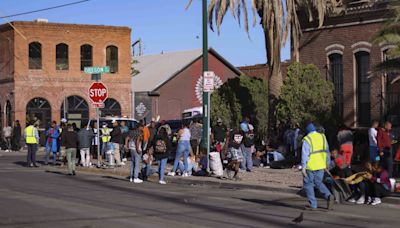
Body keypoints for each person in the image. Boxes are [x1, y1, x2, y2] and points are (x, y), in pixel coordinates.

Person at [301, 123, 334, 210]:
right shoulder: (322, 137)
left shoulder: (307, 139)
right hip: (321, 165)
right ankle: (328, 195)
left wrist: (303, 167)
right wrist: (327, 163)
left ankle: (313, 205)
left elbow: (305, 154)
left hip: (310, 166)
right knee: (318, 182)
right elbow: (327, 151)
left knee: (308, 185)